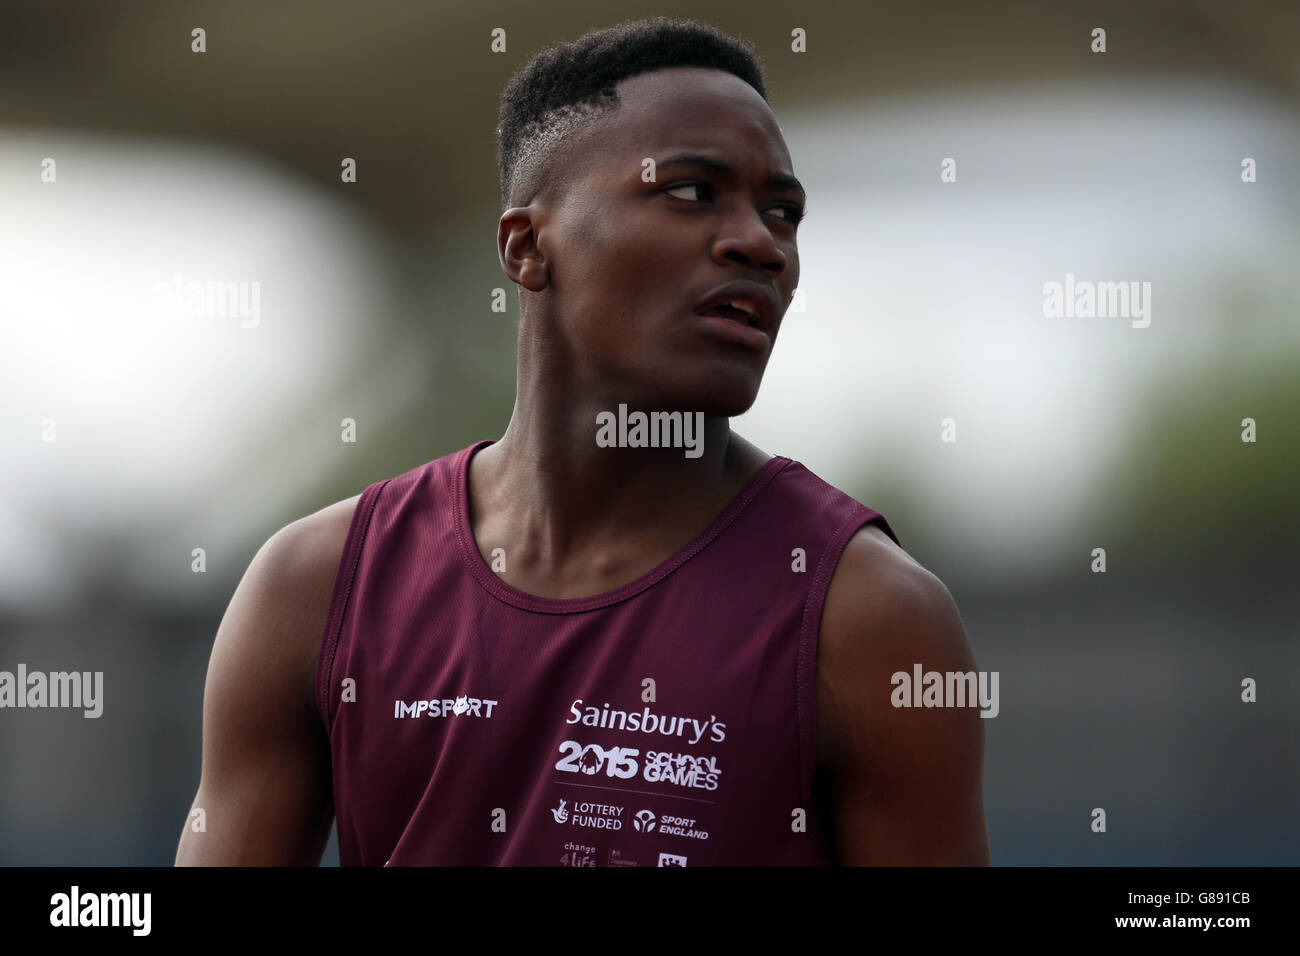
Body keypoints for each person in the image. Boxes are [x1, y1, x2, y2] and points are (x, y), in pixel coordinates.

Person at [175, 16, 989, 867]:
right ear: (527, 247)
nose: (761, 243)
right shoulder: (315, 588)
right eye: (691, 192)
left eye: (782, 212)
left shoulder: (868, 618)